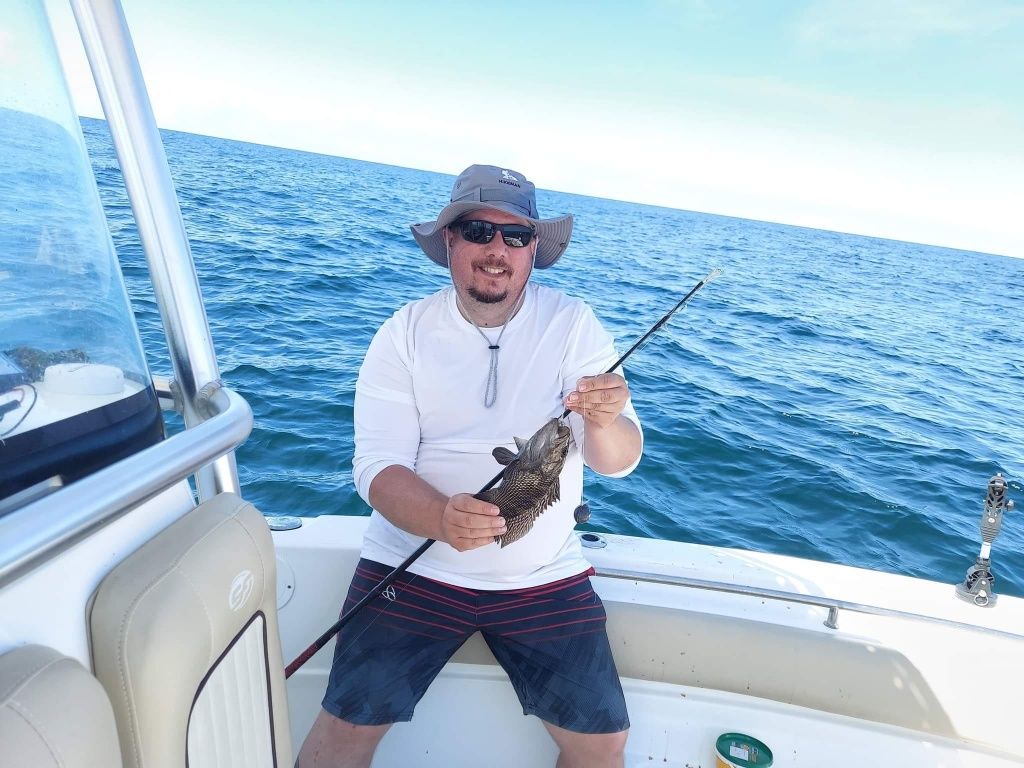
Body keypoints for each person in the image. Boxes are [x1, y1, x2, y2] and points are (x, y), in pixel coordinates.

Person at [297, 164, 643, 768]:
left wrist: (607, 417)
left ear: (534, 249)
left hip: (542, 575)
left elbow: (616, 464)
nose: (496, 250)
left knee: (602, 742)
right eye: (480, 230)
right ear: (450, 239)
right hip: (411, 562)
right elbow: (377, 466)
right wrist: (438, 517)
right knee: (346, 727)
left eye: (515, 236)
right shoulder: (404, 333)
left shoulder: (571, 324)